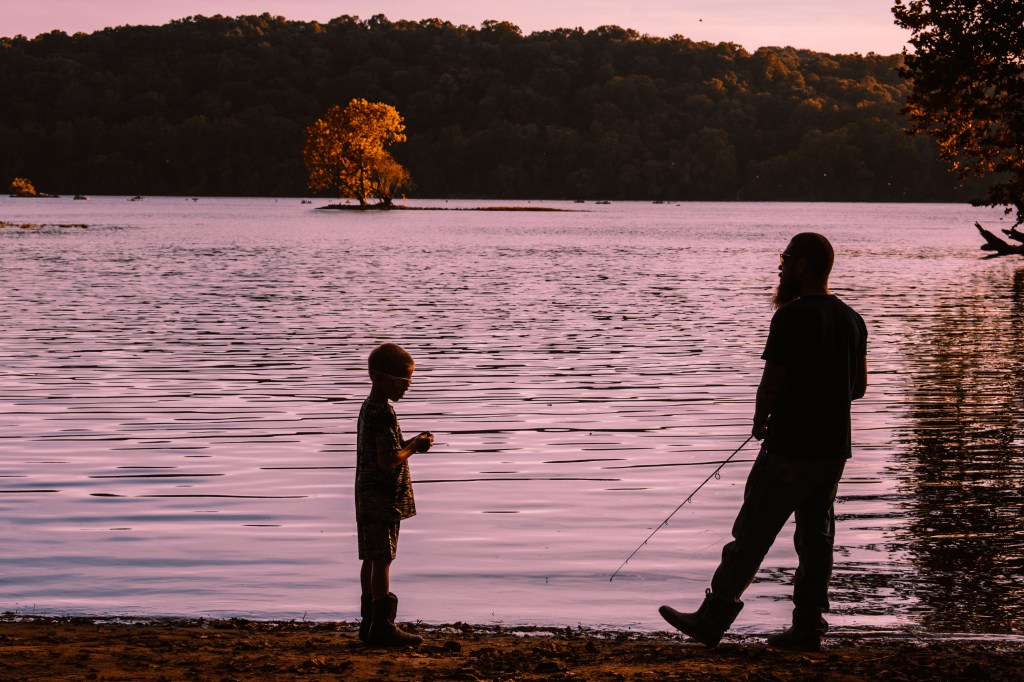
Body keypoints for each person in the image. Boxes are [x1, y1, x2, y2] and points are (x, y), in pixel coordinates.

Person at [659, 233, 868, 651]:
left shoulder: (790, 317)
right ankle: (809, 629)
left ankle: (714, 617)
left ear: (803, 266)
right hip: (833, 450)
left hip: (790, 447)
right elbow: (858, 388)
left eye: (784, 259)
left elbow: (772, 380)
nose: (780, 267)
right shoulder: (853, 319)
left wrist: (760, 420)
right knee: (816, 541)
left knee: (752, 532)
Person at [356, 342, 434, 647]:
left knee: (372, 557)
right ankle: (382, 626)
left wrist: (410, 442)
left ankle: (369, 623)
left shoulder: (368, 407)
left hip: (365, 495)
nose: (407, 388)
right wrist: (415, 445)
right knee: (384, 558)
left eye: (409, 382)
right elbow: (388, 460)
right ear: (380, 378)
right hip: (383, 498)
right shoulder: (384, 413)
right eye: (403, 382)